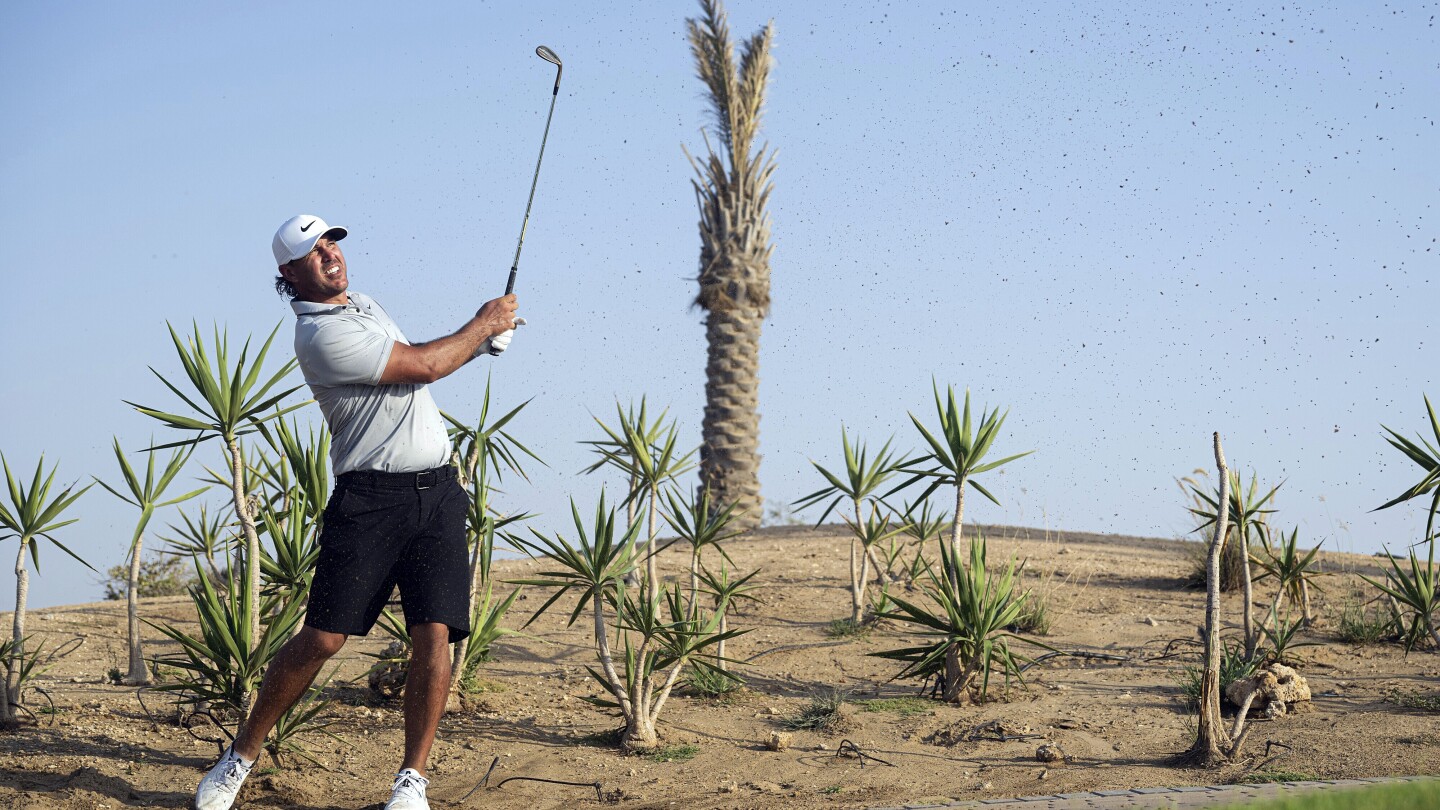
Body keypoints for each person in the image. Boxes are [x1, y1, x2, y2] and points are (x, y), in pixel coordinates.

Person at [194, 215, 523, 810]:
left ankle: (411, 783)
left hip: (438, 494)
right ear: (289, 273)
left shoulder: (364, 306)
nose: (328, 254)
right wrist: (481, 324)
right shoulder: (319, 336)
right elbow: (422, 365)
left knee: (435, 634)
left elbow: (416, 372)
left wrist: (481, 345)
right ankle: (238, 759)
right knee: (322, 638)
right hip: (371, 499)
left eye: (330, 243)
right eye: (311, 251)